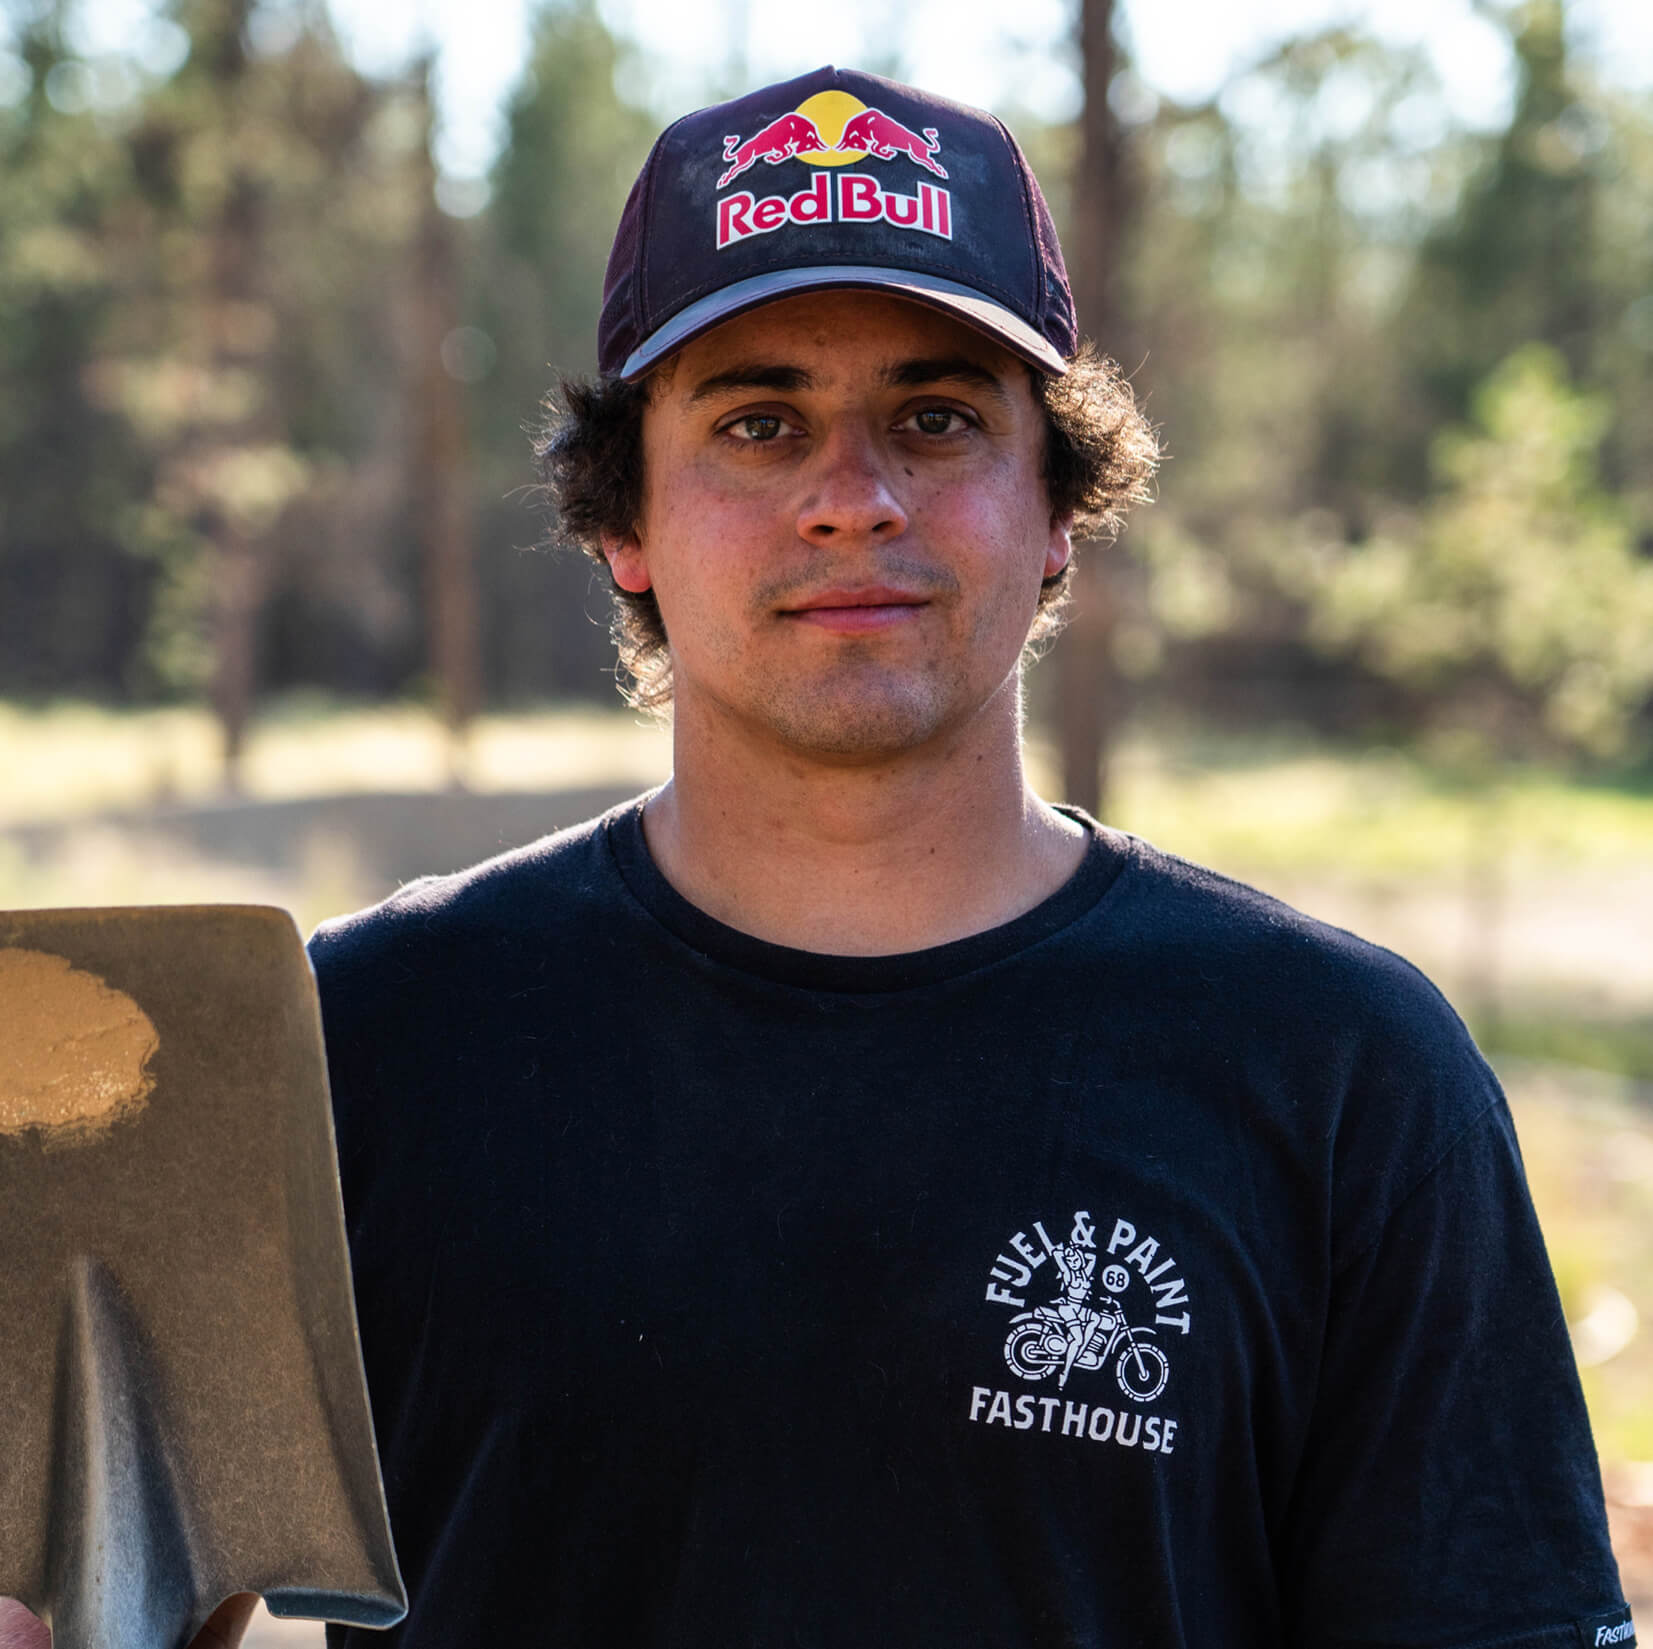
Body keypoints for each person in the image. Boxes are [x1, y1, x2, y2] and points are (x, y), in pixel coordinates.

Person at [305, 65, 1634, 1649]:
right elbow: (124, 1582)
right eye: (756, 421)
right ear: (625, 519)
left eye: (934, 419)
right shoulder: (364, 1042)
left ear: (1058, 504)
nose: (852, 500)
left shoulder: (1339, 1074)